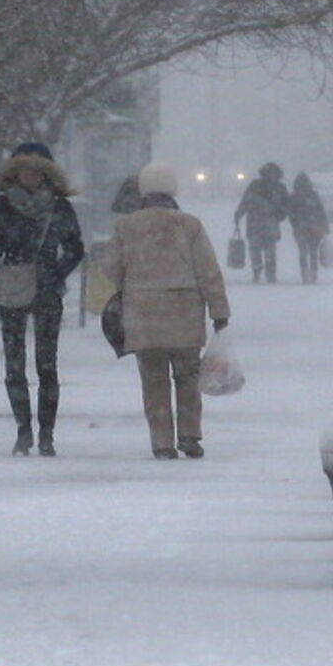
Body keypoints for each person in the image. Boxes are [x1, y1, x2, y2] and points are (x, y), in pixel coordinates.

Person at [98, 161, 230, 459]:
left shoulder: (127, 226)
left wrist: (132, 285)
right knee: (187, 378)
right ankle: (190, 436)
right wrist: (219, 312)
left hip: (143, 314)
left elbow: (110, 269)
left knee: (154, 381)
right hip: (184, 314)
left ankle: (161, 443)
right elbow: (208, 272)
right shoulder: (189, 225)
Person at [0, 142, 84, 456]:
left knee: (47, 365)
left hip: (47, 291)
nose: (31, 175)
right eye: (25, 169)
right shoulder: (3, 205)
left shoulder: (60, 207)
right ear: (15, 172)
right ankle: (24, 431)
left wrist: (55, 273)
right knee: (14, 364)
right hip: (15, 286)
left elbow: (75, 248)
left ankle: (46, 433)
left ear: (47, 173)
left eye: (37, 170)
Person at [233, 161, 289, 283]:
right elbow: (246, 201)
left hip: (267, 222)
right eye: (269, 173)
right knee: (256, 249)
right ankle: (257, 271)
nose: (271, 175)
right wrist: (239, 213)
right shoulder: (257, 186)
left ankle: (270, 273)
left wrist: (280, 215)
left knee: (270, 250)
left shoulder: (279, 188)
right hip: (257, 223)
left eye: (273, 173)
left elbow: (286, 205)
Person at [287, 172, 329, 284]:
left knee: (304, 252)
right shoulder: (313, 196)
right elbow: (321, 211)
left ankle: (305, 273)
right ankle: (312, 273)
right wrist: (324, 225)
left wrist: (297, 225)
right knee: (311, 252)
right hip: (313, 228)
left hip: (304, 229)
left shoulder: (294, 197)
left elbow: (291, 214)